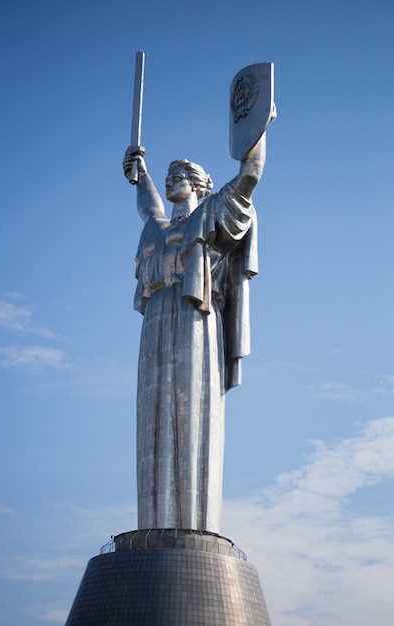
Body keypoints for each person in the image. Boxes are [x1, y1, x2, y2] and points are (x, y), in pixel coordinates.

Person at [123, 134, 267, 533]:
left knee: (192, 413)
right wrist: (141, 174)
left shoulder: (210, 214)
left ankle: (194, 528)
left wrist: (254, 129)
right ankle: (154, 526)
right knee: (152, 416)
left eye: (181, 174)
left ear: (200, 184)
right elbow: (147, 204)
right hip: (155, 319)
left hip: (194, 316)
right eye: (169, 175)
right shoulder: (155, 227)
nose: (172, 180)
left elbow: (251, 175)